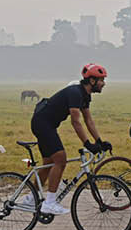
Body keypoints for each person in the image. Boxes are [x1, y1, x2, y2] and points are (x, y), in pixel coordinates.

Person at [29, 63, 112, 214]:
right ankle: (49, 203)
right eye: (101, 80)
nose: (104, 83)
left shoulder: (85, 95)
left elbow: (89, 120)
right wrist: (87, 143)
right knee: (60, 159)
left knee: (48, 163)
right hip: (42, 123)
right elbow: (76, 121)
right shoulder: (75, 93)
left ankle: (30, 198)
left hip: (47, 124)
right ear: (92, 81)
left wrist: (99, 141)